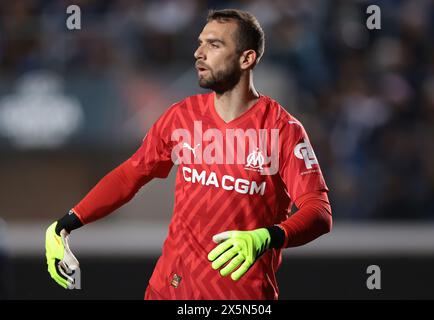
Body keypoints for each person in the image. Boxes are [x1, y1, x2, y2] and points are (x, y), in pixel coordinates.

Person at [45, 9, 332, 300]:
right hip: (167, 290)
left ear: (246, 59)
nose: (199, 53)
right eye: (200, 42)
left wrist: (266, 237)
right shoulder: (182, 116)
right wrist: (66, 224)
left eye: (214, 44)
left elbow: (319, 213)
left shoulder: (282, 130)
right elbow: (131, 173)